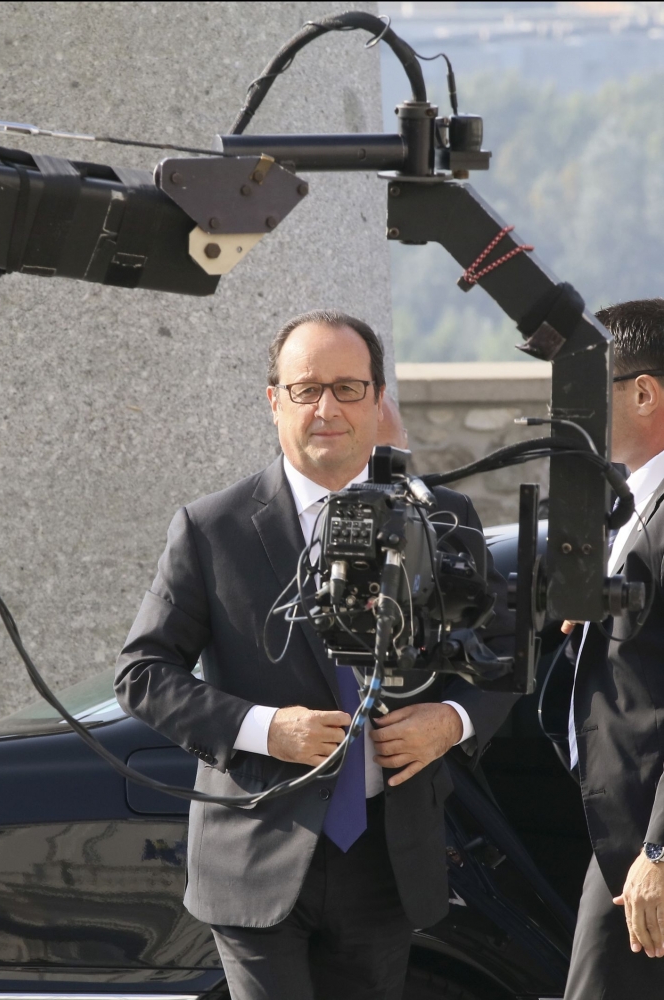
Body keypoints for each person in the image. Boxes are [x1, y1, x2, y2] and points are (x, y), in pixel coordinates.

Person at [114, 309, 516, 1000]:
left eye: (348, 388)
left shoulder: (442, 517)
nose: (327, 409)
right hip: (256, 855)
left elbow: (503, 650)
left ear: (377, 399)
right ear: (274, 401)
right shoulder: (211, 529)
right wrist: (266, 729)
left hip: (388, 858)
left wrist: (450, 721)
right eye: (306, 389)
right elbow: (143, 675)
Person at [551, 299, 664, 999]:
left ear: (644, 393)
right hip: (622, 831)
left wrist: (659, 850)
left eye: (589, 389)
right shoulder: (635, 503)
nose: (571, 412)